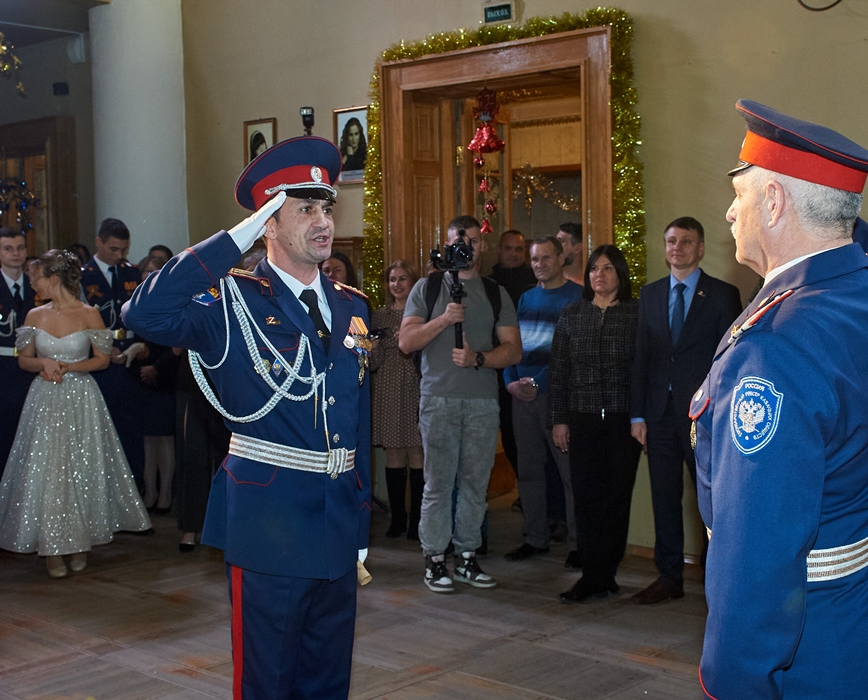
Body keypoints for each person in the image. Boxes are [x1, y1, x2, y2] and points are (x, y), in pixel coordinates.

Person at [122, 136, 372, 700]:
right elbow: (144, 313)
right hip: (269, 524)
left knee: (329, 680)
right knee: (267, 681)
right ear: (267, 225)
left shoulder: (351, 304)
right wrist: (230, 242)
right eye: (304, 210)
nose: (323, 222)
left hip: (337, 520)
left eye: (326, 208)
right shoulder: (230, 302)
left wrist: (359, 524)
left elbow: (356, 420)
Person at [692, 100, 868, 699]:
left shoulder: (775, 348)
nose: (729, 212)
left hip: (805, 651)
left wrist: (736, 683)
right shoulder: (852, 295)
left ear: (773, 202)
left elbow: (757, 556)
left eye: (738, 195)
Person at [0, 250, 150, 578]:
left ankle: (80, 541)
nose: (33, 284)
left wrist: (69, 367)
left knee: (81, 466)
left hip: (81, 397)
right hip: (45, 398)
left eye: (37, 278)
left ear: (53, 279)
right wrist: (44, 363)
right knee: (49, 470)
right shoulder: (34, 315)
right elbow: (24, 359)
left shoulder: (89, 313)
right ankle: (52, 547)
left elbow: (101, 359)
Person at [399, 215, 521, 593]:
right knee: (438, 484)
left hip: (482, 402)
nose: (465, 247)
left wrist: (478, 359)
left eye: (472, 241)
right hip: (438, 399)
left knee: (475, 484)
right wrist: (443, 320)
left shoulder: (495, 292)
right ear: (448, 244)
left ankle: (467, 555)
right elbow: (406, 342)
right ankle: (435, 559)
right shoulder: (428, 287)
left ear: (482, 246)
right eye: (458, 241)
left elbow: (513, 349)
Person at [629, 217, 742, 605]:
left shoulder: (723, 294)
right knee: (664, 498)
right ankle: (668, 577)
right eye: (671, 241)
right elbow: (641, 358)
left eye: (686, 241)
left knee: (710, 500)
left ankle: (717, 579)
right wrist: (637, 415)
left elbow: (730, 360)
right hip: (658, 416)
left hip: (704, 417)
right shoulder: (650, 295)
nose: (677, 248)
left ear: (701, 248)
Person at [549, 244, 640, 603]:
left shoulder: (636, 314)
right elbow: (558, 372)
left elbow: (644, 369)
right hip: (582, 418)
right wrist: (558, 419)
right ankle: (592, 575)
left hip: (623, 420)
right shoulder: (572, 314)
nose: (599, 275)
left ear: (620, 274)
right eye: (593, 269)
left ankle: (607, 572)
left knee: (617, 498)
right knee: (586, 498)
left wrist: (642, 417)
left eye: (607, 269)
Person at [503, 236, 583, 568]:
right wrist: (510, 383)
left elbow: (572, 353)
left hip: (556, 396)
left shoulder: (577, 296)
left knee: (569, 474)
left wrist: (538, 382)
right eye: (535, 259)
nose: (539, 264)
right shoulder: (526, 298)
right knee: (529, 472)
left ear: (561, 258)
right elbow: (511, 344)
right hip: (521, 397)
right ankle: (535, 538)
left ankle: (578, 545)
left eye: (546, 258)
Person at [80, 218, 147, 485]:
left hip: (129, 358)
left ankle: (134, 489)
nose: (119, 255)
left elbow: (141, 314)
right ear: (99, 242)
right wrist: (101, 351)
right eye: (113, 249)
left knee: (131, 428)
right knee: (99, 428)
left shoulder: (131, 273)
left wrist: (140, 345)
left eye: (123, 250)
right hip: (98, 360)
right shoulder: (83, 276)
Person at [370, 260, 424, 539]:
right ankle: (397, 518)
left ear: (413, 282)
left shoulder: (422, 313)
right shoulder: (379, 317)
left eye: (403, 278)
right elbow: (372, 363)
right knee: (394, 453)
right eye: (393, 279)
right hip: (389, 385)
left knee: (417, 451)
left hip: (416, 383)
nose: (397, 284)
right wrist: (374, 348)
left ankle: (417, 519)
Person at [489, 229, 537, 481]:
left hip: (529, 365)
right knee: (506, 432)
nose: (513, 254)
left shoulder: (534, 281)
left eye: (519, 249)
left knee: (529, 435)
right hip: (493, 365)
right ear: (499, 251)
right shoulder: (488, 283)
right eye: (508, 248)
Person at [0, 227, 37, 477]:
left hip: (33, 369)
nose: (16, 253)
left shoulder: (38, 286)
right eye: (8, 248)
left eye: (20, 247)